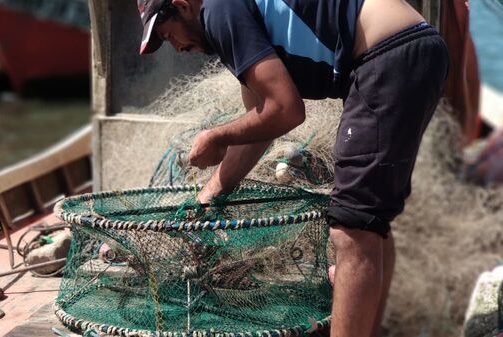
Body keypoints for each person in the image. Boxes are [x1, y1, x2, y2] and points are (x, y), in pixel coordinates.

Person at [136, 0, 449, 336]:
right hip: (407, 48)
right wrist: (208, 195)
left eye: (169, 36)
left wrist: (215, 136)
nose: (178, 48)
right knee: (368, 220)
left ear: (182, 6)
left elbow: (286, 109)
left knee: (353, 228)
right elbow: (263, 123)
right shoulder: (237, 18)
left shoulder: (218, 10)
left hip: (389, 53)